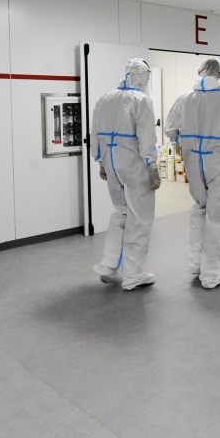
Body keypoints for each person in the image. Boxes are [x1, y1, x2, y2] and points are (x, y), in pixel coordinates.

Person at [165, 58, 220, 289]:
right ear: (219, 74)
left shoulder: (184, 98)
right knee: (216, 215)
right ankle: (211, 273)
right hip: (218, 160)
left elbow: (170, 127)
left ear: (198, 72)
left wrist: (176, 142)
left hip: (193, 159)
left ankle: (196, 263)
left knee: (200, 207)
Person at [91, 58, 162, 291]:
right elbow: (147, 136)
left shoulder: (105, 98)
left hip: (112, 164)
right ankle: (133, 275)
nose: (147, 81)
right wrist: (152, 166)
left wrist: (101, 161)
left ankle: (108, 265)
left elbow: (95, 132)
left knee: (121, 212)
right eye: (146, 77)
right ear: (139, 75)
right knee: (140, 218)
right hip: (133, 164)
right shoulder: (141, 100)